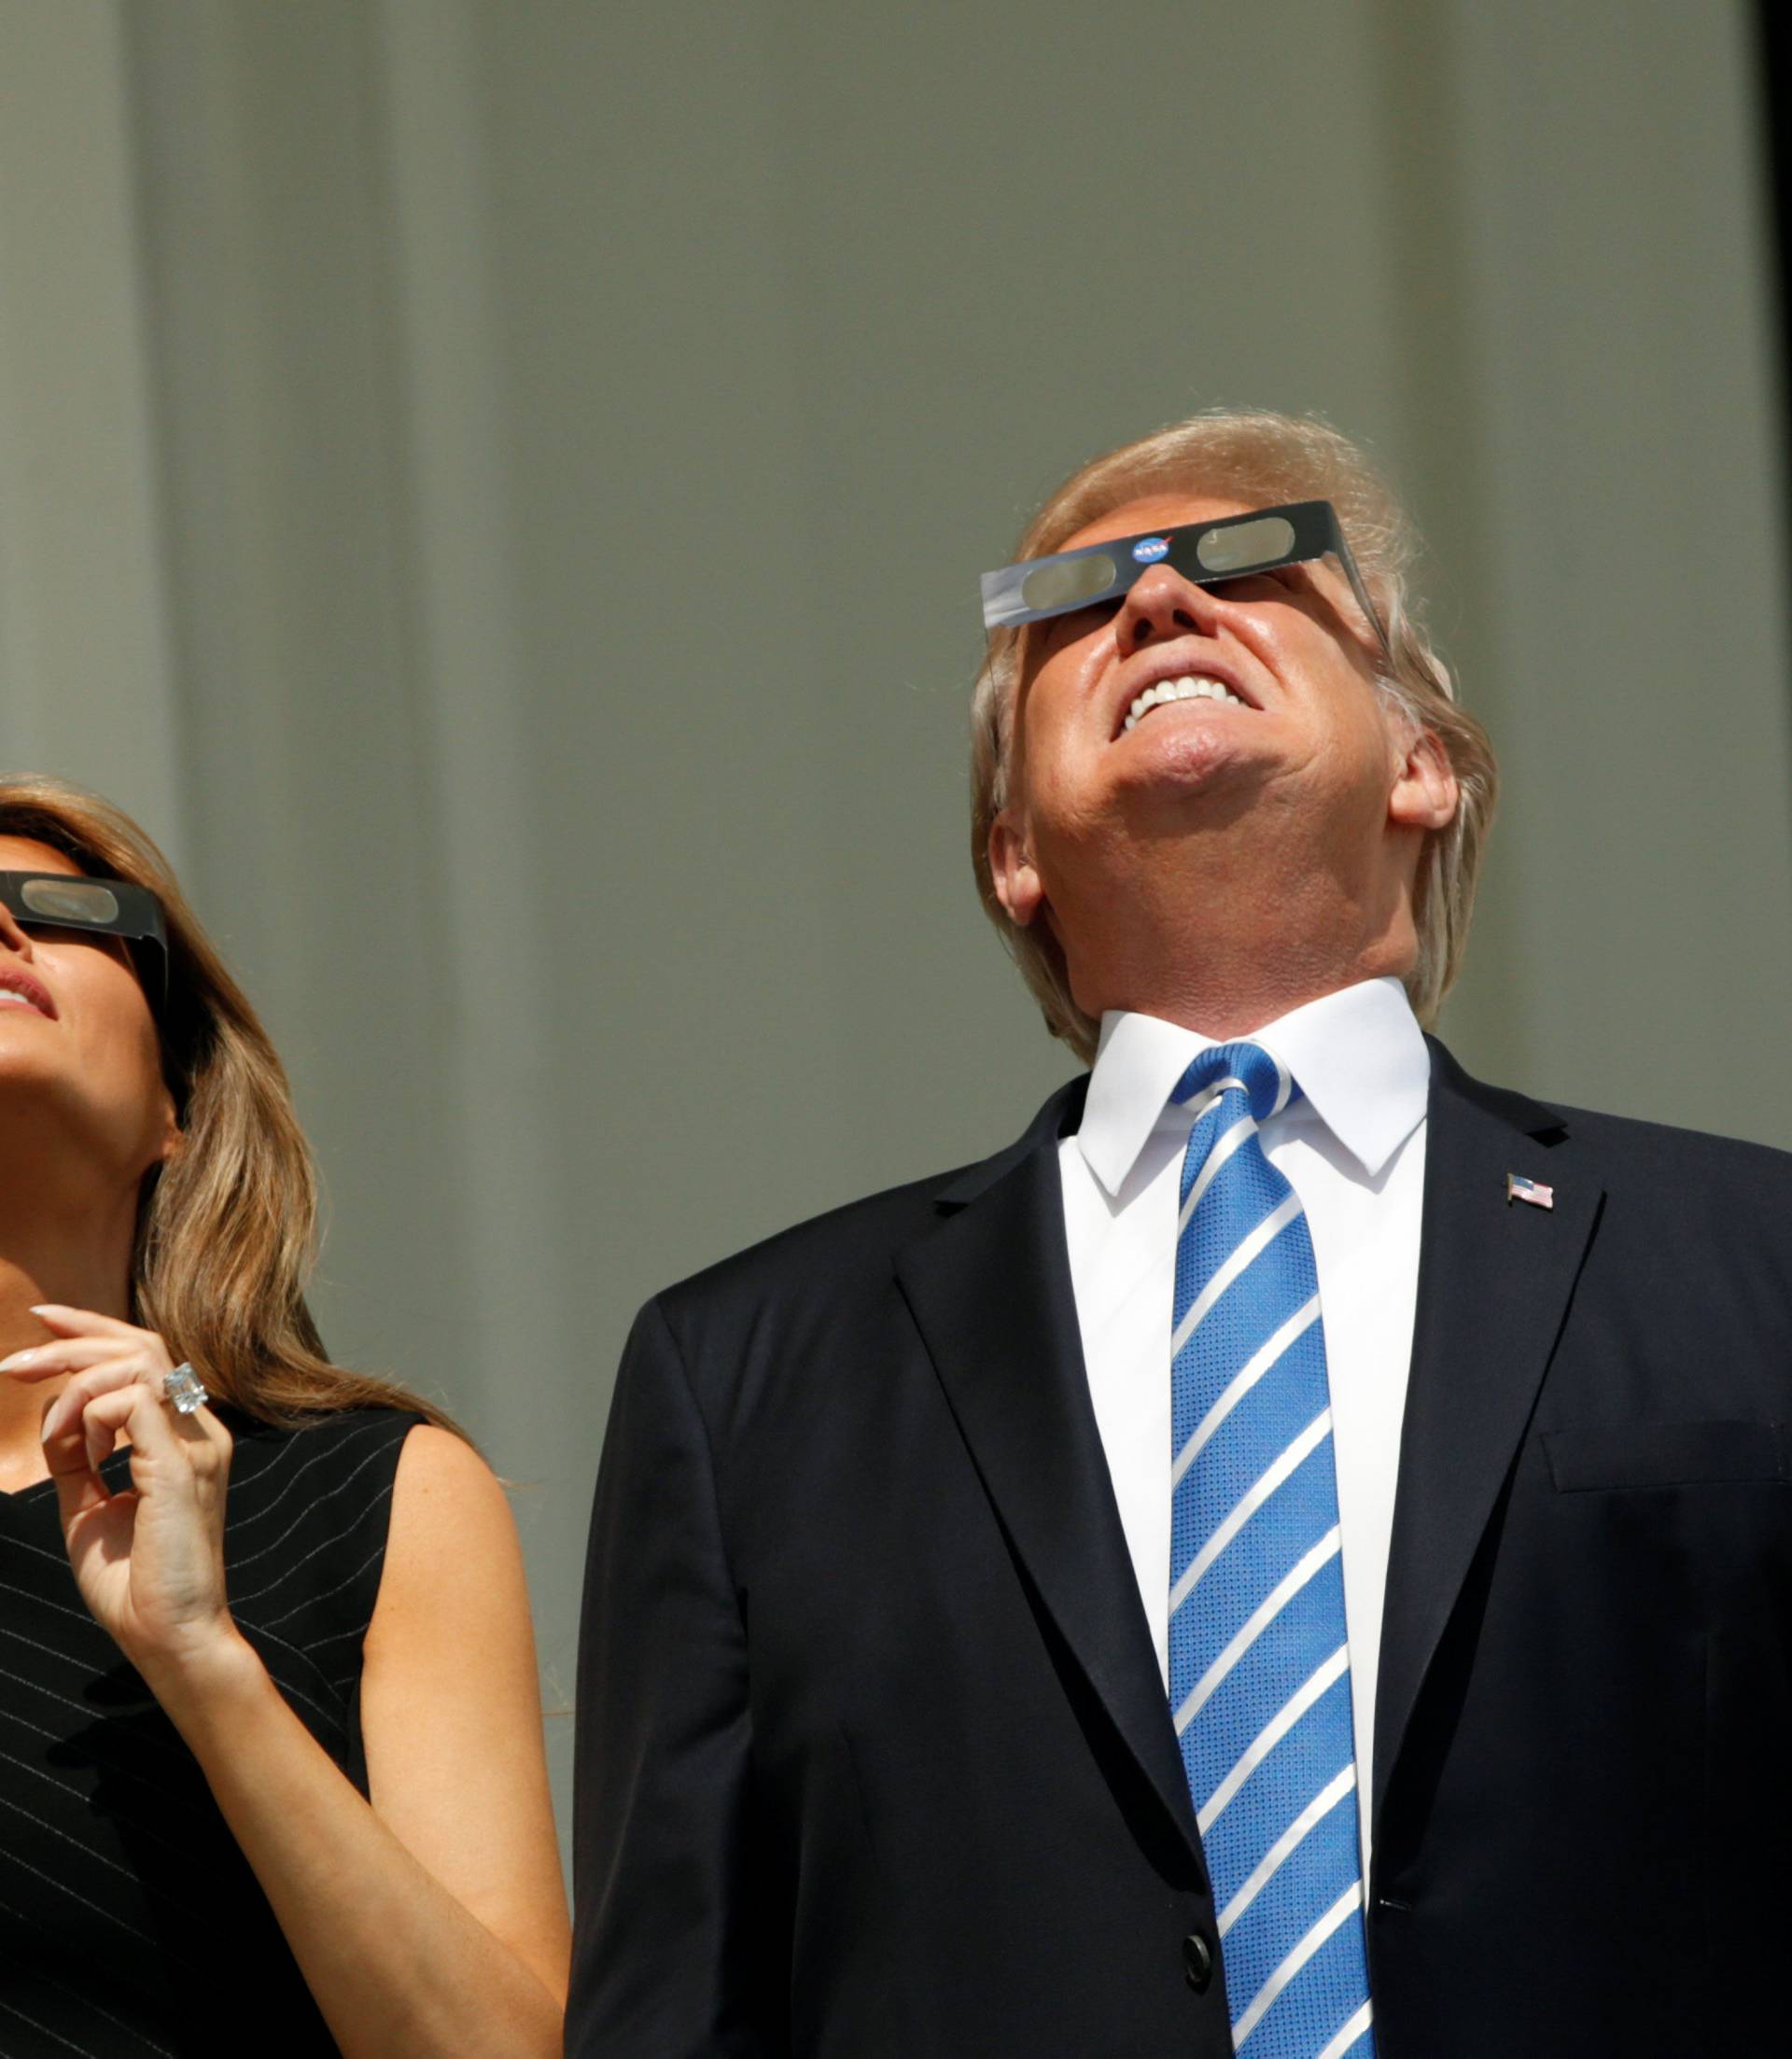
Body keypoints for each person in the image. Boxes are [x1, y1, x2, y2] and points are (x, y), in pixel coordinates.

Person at [567, 408, 1792, 2057]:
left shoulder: (1754, 1262)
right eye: (1075, 598)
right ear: (1010, 847)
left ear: (1422, 759)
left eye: (1252, 559)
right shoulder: (746, 1381)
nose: (1157, 603)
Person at [0, 775, 568, 2056]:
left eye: (64, 910)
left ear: (177, 1105)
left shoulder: (371, 1496)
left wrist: (205, 1664)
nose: (2, 931)